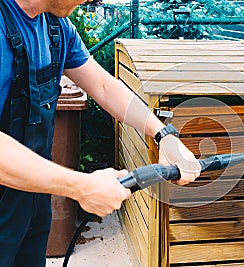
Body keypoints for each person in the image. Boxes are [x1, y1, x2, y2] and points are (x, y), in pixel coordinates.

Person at [0, 0, 201, 266]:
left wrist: (164, 134)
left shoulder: (57, 28)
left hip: (32, 198)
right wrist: (80, 186)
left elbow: (105, 87)